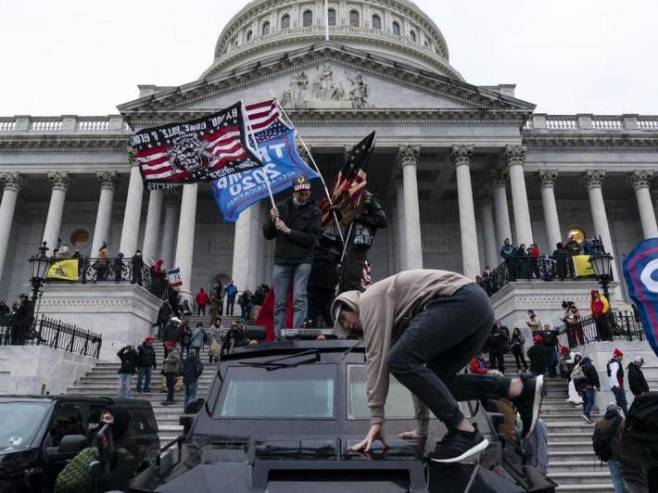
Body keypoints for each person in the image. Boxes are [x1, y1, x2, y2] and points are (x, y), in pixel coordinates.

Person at [331, 270, 545, 463]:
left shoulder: (369, 300)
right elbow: (421, 380)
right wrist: (423, 429)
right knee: (436, 379)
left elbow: (376, 363)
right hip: (477, 308)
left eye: (343, 317)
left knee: (397, 360)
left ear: (351, 303)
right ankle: (517, 388)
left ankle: (465, 432)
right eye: (342, 327)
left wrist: (376, 420)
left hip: (460, 301)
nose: (346, 325)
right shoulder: (395, 317)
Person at [263, 174, 322, 338]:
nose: (304, 196)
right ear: (294, 192)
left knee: (299, 298)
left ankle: (297, 334)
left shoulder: (314, 212)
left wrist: (288, 231)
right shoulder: (281, 207)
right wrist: (271, 220)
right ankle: (279, 336)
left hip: (303, 260)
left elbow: (311, 240)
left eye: (306, 192)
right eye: (300, 193)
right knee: (279, 302)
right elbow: (268, 234)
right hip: (282, 260)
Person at [339, 190, 388, 292]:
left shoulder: (367, 198)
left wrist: (361, 217)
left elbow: (382, 220)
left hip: (359, 244)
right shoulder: (349, 200)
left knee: (353, 283)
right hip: (348, 245)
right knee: (344, 283)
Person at [307, 227, 342, 327]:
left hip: (326, 283)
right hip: (316, 281)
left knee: (327, 313)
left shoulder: (337, 242)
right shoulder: (316, 237)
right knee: (314, 313)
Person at [592, 404, 626, 493]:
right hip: (623, 455)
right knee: (626, 478)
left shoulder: (600, 423)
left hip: (609, 455)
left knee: (616, 478)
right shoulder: (622, 422)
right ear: (617, 411)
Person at [572, 355, 600, 424]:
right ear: (588, 361)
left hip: (582, 389)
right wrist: (598, 386)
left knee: (585, 402)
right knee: (591, 402)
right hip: (589, 387)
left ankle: (587, 417)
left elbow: (575, 380)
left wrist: (577, 390)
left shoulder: (578, 368)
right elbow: (595, 376)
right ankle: (586, 414)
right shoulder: (590, 367)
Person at [608, 348, 629, 417]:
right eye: (621, 356)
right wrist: (617, 385)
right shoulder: (615, 363)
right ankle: (628, 418)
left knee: (620, 403)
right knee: (623, 402)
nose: (622, 357)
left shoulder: (613, 363)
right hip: (617, 386)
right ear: (618, 356)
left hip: (615, 385)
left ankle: (615, 417)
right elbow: (614, 374)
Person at [162, 340, 180, 406]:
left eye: (167, 346)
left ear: (170, 346)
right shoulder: (171, 352)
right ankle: (168, 399)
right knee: (169, 386)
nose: (166, 347)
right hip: (169, 371)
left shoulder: (174, 352)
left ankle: (170, 400)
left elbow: (177, 359)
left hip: (171, 371)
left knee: (170, 386)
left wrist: (167, 360)